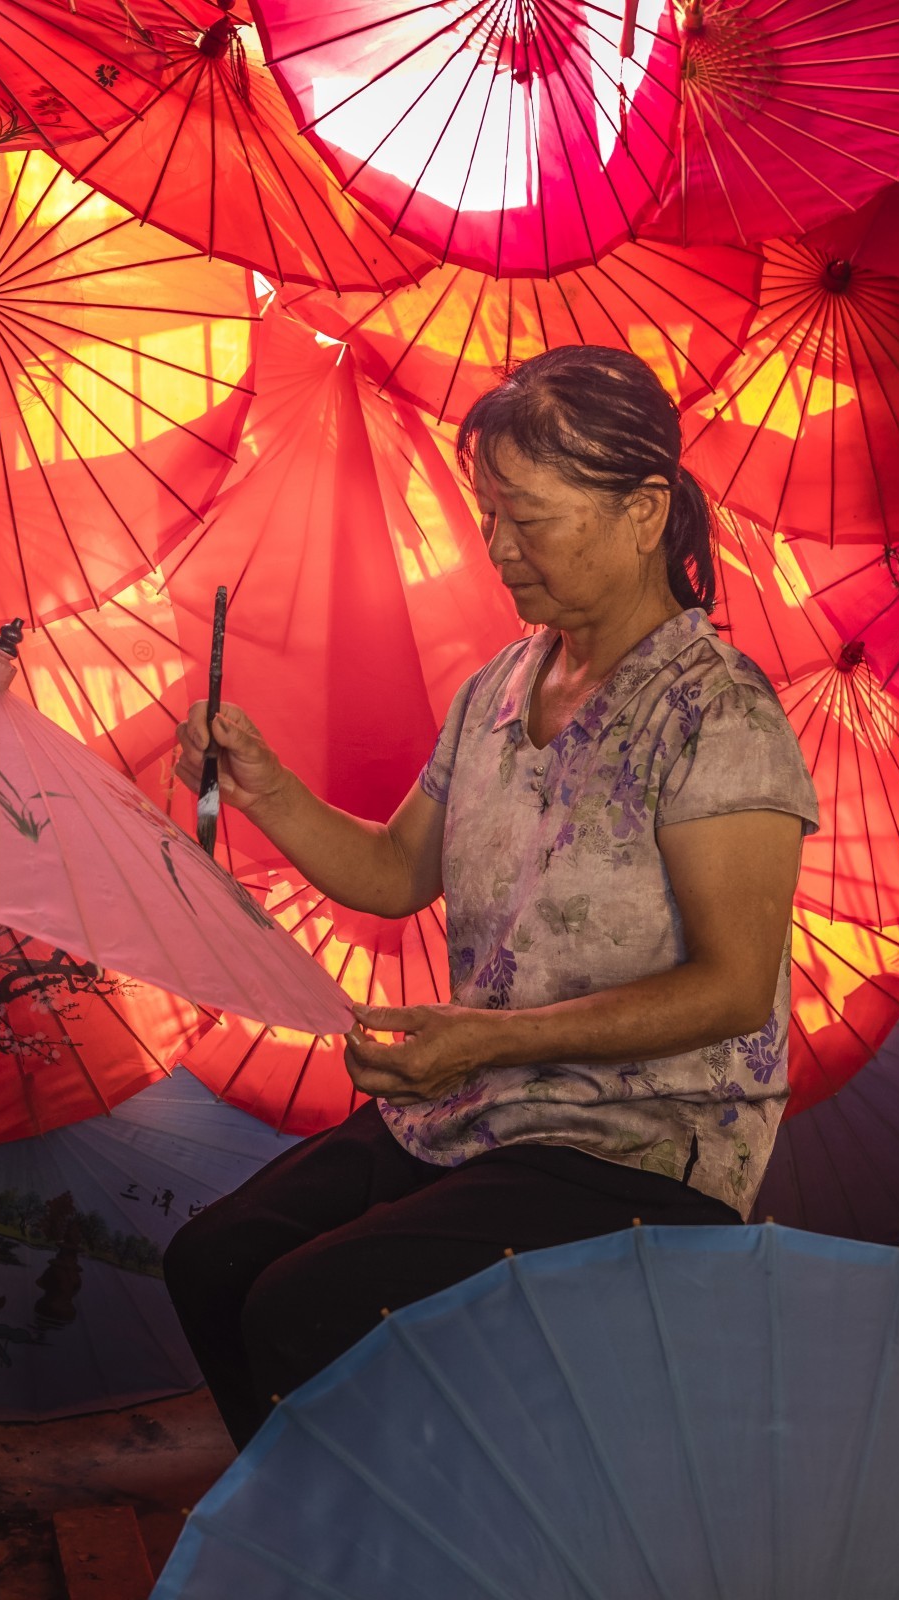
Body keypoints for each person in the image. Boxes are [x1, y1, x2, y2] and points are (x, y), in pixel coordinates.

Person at [163, 345, 816, 1449]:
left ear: (645, 512)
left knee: (303, 1310)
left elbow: (734, 988)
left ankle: (410, 1526)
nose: (500, 549)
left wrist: (487, 1039)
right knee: (213, 1262)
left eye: (531, 518)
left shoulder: (718, 712)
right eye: (488, 516)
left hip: (639, 1139)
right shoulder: (500, 688)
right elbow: (394, 872)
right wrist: (264, 789)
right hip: (487, 1105)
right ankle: (324, 1523)